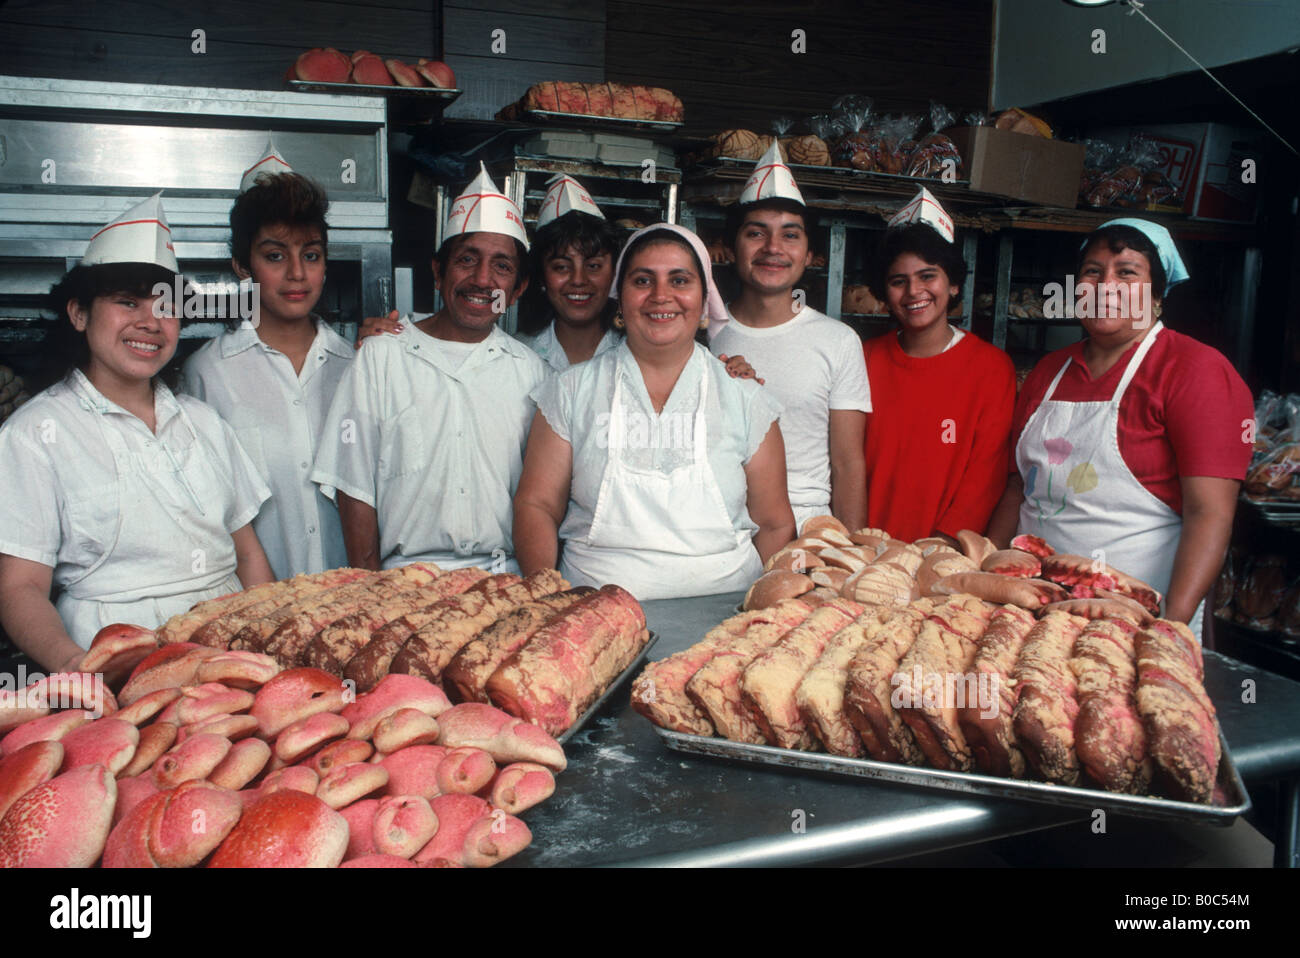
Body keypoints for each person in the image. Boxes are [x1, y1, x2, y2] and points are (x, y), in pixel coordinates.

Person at [0, 194, 274, 671]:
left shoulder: (204, 421)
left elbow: (248, 555)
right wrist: (79, 671)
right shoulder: (34, 434)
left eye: (165, 306)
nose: (150, 322)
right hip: (112, 658)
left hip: (231, 650)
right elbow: (19, 587)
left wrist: (272, 645)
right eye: (127, 302)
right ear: (79, 314)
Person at [988, 218, 1253, 637]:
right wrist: (990, 580)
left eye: (1127, 272)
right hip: (1029, 605)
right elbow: (1018, 488)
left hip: (1134, 614)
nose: (1105, 286)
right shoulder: (1049, 370)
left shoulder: (1195, 370)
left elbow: (1211, 513)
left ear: (1158, 294)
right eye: (1093, 272)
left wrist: (1172, 626)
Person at [513, 223, 795, 600]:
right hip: (591, 609)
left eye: (679, 281)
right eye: (643, 281)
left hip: (726, 613)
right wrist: (547, 601)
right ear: (621, 297)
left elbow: (774, 523)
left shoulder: (745, 397)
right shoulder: (570, 390)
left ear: (703, 299)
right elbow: (537, 505)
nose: (661, 296)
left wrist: (762, 612)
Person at [311, 165, 548, 573]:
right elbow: (354, 489)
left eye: (502, 267)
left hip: (504, 579)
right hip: (404, 581)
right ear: (438, 272)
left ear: (518, 290)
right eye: (467, 260)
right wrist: (370, 593)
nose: (481, 280)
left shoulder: (532, 373)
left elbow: (543, 499)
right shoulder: (382, 355)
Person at [180, 143, 352, 579]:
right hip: (254, 607)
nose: (297, 273)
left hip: (354, 601)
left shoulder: (356, 365)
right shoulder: (208, 373)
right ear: (242, 266)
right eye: (275, 256)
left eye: (310, 255)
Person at [709, 141, 870, 531]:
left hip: (807, 531)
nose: (773, 249)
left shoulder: (838, 340)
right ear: (732, 248)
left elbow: (847, 462)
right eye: (756, 233)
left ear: (811, 255)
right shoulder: (704, 336)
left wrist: (852, 549)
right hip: (719, 526)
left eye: (790, 235)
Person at [862, 188, 1016, 543]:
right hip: (865, 547)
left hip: (945, 555)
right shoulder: (864, 358)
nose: (914, 291)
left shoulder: (991, 368)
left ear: (955, 285)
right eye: (898, 281)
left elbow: (987, 475)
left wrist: (944, 545)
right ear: (885, 294)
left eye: (928, 276)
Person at [514, 174, 623, 372]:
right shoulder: (517, 355)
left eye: (594, 266)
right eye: (561, 267)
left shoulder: (635, 351)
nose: (578, 280)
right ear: (542, 276)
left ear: (614, 273)